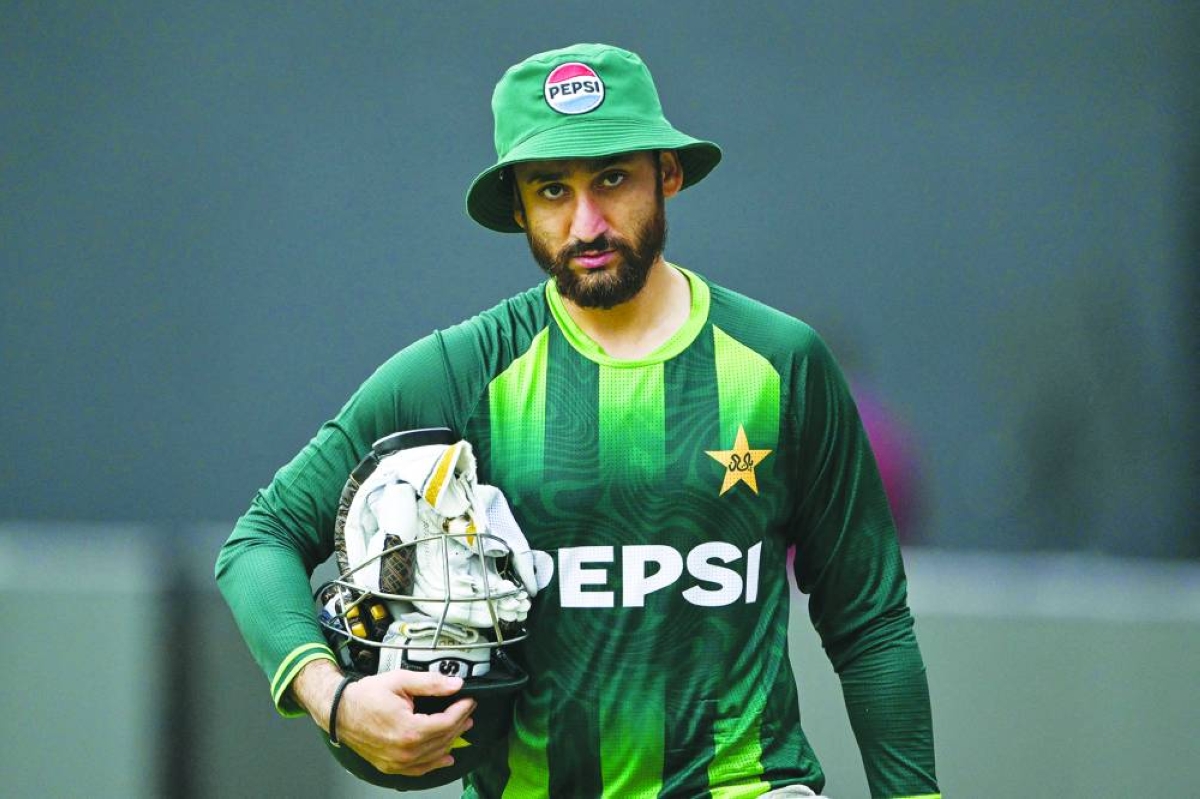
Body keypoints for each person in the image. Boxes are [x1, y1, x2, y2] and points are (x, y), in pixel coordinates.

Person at [216, 43, 940, 798]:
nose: (586, 222)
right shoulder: (461, 371)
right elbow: (260, 539)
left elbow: (871, 622)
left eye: (613, 178)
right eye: (553, 189)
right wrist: (331, 697)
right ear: (520, 207)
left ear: (669, 173)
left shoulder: (782, 363)